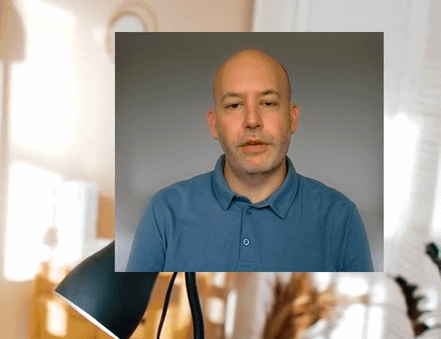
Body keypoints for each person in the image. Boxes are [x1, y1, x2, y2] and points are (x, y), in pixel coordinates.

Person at [125, 48, 374, 272]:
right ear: (214, 125)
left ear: (292, 118)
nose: (252, 120)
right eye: (234, 105)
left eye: (268, 103)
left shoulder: (342, 218)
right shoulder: (164, 211)